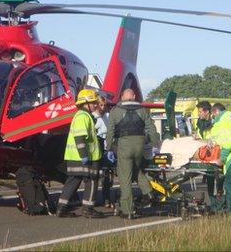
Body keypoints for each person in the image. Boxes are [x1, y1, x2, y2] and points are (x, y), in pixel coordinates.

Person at [105, 89, 161, 219]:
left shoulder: (115, 111)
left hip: (124, 145)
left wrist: (108, 148)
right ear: (134, 96)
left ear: (122, 97)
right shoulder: (142, 110)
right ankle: (148, 191)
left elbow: (111, 131)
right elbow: (151, 129)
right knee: (135, 169)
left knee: (125, 178)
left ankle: (128, 210)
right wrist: (155, 145)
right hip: (139, 145)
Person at [56, 89, 104, 218]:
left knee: (73, 181)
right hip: (85, 157)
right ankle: (88, 209)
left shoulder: (81, 115)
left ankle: (61, 208)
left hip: (74, 157)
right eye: (93, 102)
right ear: (86, 103)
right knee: (92, 181)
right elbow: (80, 137)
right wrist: (84, 155)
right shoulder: (83, 116)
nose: (95, 105)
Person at [195, 101, 224, 214]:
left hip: (218, 153)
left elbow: (218, 138)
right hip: (207, 155)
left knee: (221, 180)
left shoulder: (216, 122)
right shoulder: (200, 123)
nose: (199, 114)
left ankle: (221, 204)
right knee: (210, 181)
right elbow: (200, 134)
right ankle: (214, 205)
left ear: (207, 112)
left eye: (200, 111)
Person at [92, 96, 114, 208]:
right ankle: (92, 198)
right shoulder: (93, 117)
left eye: (104, 105)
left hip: (106, 149)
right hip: (97, 148)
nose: (103, 107)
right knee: (95, 175)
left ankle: (106, 198)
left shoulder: (107, 116)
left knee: (106, 175)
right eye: (101, 105)